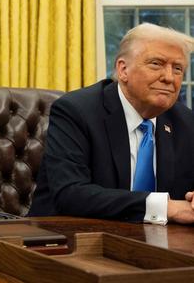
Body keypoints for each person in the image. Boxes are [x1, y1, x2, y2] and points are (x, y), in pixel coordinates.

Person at [29, 23, 194, 224]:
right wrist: (165, 207)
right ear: (123, 69)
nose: (169, 77)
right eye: (156, 64)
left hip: (157, 243)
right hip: (66, 239)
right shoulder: (76, 111)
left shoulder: (185, 122)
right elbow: (70, 193)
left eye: (178, 69)